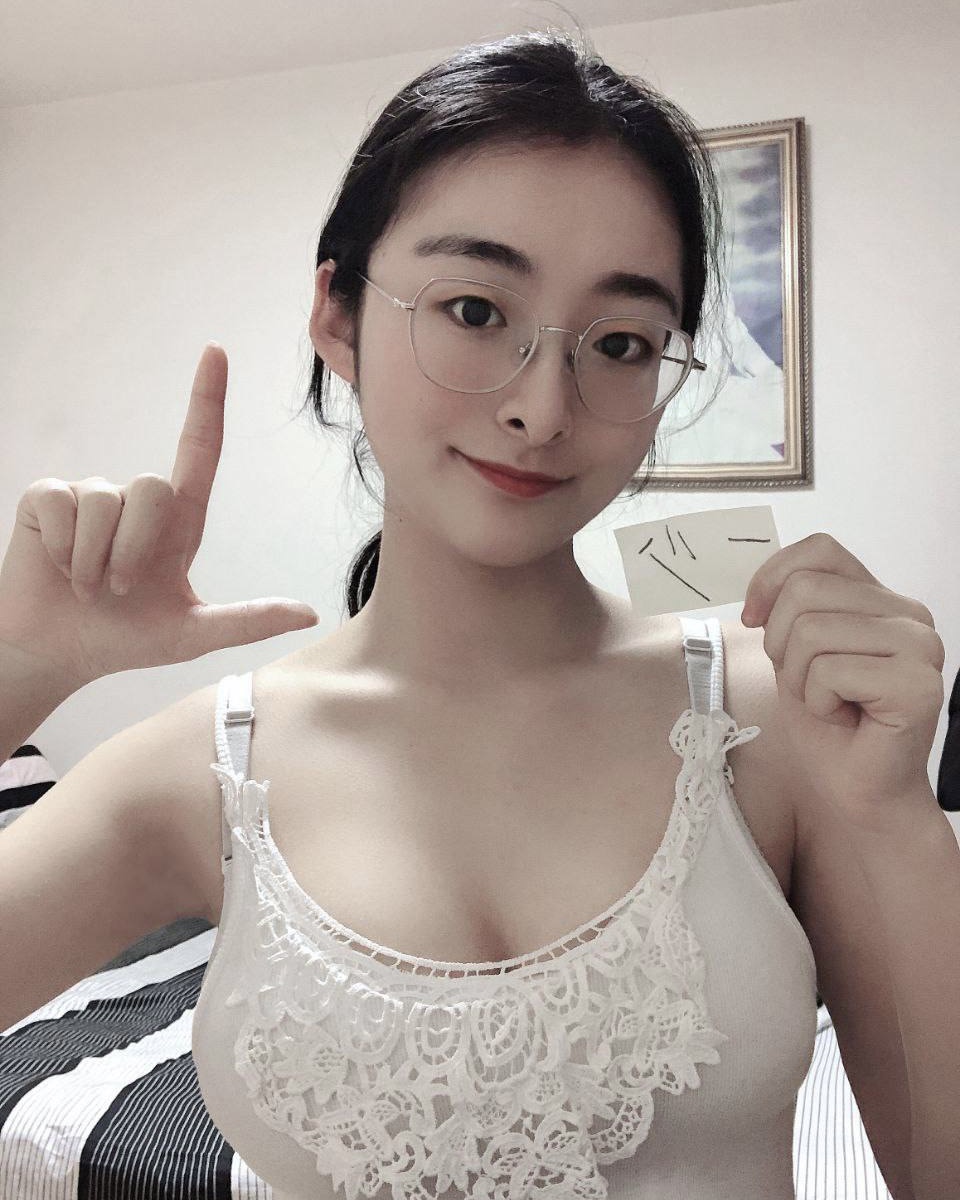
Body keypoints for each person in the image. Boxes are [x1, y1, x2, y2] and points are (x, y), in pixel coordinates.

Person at [0, 24, 950, 1200]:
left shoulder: (773, 716)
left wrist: (898, 815)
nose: (542, 409)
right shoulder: (200, 770)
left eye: (619, 342)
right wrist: (17, 673)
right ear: (337, 316)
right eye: (473, 310)